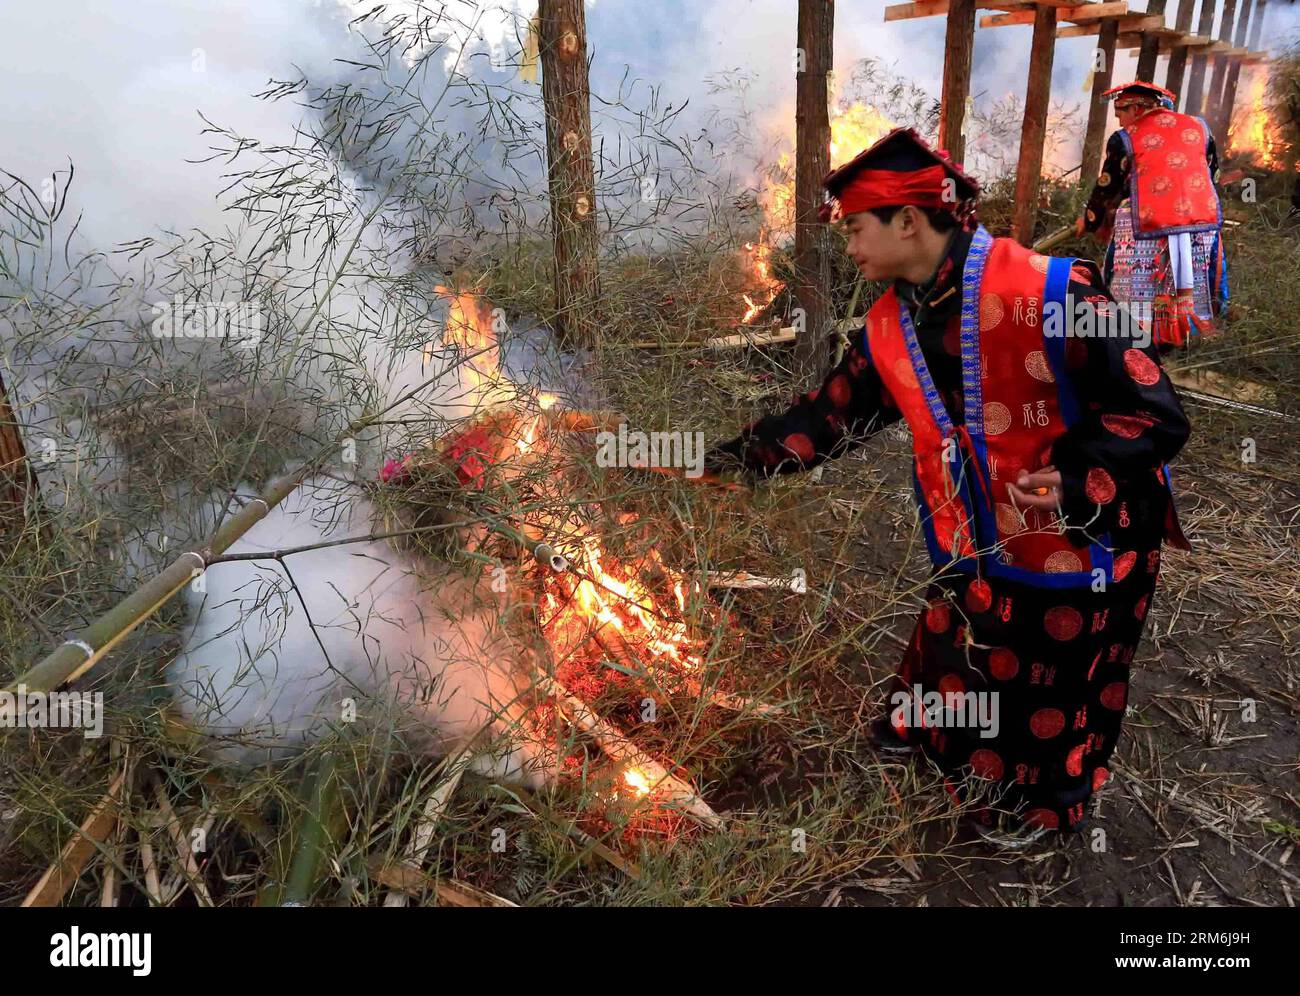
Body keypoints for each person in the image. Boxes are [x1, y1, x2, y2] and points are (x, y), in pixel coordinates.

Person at [706, 127, 1193, 845]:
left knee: (1053, 674)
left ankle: (1044, 804)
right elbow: (831, 415)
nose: (848, 246)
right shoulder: (890, 323)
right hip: (972, 528)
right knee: (958, 631)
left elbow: (1153, 412)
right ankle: (937, 742)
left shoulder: (1053, 288)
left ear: (909, 220)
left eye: (855, 227)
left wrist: (1073, 474)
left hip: (1087, 533)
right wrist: (724, 461)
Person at [1077, 81, 1227, 350]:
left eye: (1120, 113)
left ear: (1135, 108)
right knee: (1193, 281)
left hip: (1148, 227)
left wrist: (1090, 220)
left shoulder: (1125, 138)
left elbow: (1108, 185)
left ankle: (1137, 337)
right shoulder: (1199, 127)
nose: (1120, 121)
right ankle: (1189, 332)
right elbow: (1212, 173)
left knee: (1133, 288)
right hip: (1201, 223)